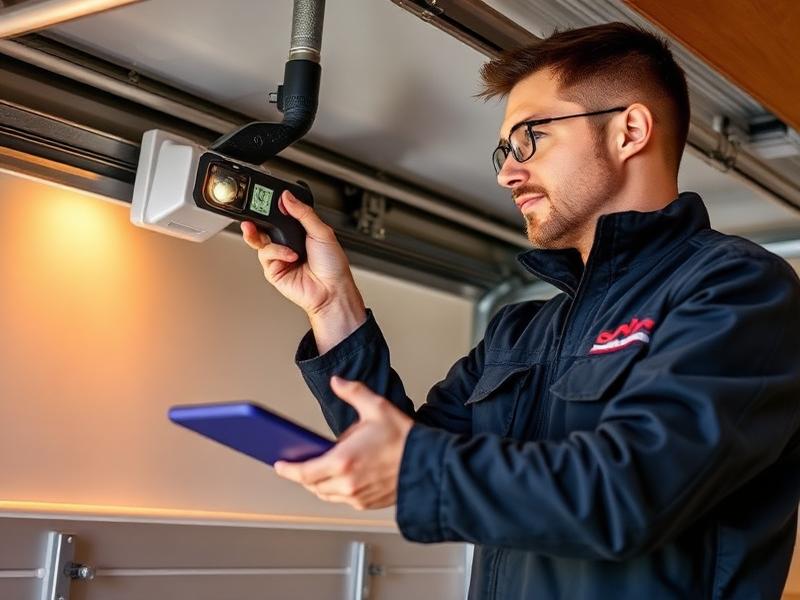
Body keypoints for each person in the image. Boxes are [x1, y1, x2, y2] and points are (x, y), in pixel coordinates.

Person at [241, 22, 800, 600]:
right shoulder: (521, 332)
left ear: (629, 131)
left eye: (531, 137)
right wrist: (333, 303)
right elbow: (397, 446)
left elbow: (632, 491)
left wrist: (414, 465)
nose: (507, 172)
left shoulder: (738, 288)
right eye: (505, 150)